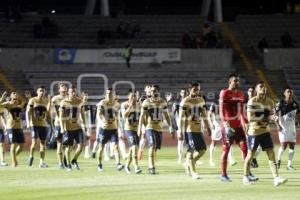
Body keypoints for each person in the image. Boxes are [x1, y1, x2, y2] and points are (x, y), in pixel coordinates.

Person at [243, 81, 287, 186]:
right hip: (254, 132)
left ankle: (276, 178)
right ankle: (245, 176)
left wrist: (276, 120)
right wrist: (267, 117)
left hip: (265, 131)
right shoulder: (252, 101)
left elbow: (272, 115)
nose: (264, 88)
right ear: (257, 90)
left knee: (271, 153)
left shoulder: (270, 102)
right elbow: (250, 118)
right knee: (250, 155)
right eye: (261, 87)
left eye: (265, 87)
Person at [219, 73, 249, 182]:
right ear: (230, 82)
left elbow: (242, 111)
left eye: (238, 81)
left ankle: (247, 173)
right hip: (228, 126)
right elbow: (221, 110)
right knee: (226, 150)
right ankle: (223, 174)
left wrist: (245, 123)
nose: (237, 82)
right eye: (235, 80)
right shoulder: (224, 92)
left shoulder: (241, 93)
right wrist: (225, 123)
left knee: (245, 148)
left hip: (238, 126)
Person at [138, 84, 174, 174]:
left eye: (154, 91)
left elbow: (166, 115)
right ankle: (151, 167)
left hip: (159, 128)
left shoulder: (162, 102)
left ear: (158, 91)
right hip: (149, 127)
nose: (152, 92)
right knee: (152, 145)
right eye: (151, 91)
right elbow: (142, 116)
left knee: (155, 148)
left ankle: (152, 166)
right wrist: (139, 128)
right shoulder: (146, 102)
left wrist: (170, 126)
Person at [178, 83, 212, 179]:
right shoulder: (185, 101)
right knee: (191, 150)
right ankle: (193, 172)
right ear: (189, 90)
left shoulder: (201, 100)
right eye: (194, 89)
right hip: (189, 130)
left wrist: (208, 127)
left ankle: (188, 163)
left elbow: (204, 115)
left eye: (198, 89)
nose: (196, 91)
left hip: (198, 129)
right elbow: (180, 117)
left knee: (202, 150)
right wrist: (180, 131)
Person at [96, 88, 124, 172]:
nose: (109, 95)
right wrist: (102, 120)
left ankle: (118, 164)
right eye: (107, 93)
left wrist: (119, 129)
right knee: (101, 147)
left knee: (116, 146)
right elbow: (98, 114)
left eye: (111, 93)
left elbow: (117, 117)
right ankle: (99, 164)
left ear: (114, 95)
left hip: (113, 128)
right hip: (104, 129)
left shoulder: (116, 104)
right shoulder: (102, 103)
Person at [60, 86, 86, 171]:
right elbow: (61, 116)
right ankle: (68, 164)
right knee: (69, 147)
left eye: (75, 92)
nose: (74, 93)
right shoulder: (64, 102)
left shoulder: (79, 101)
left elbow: (82, 113)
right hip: (68, 128)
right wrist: (62, 127)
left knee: (81, 146)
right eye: (72, 92)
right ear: (68, 93)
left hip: (78, 127)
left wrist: (84, 124)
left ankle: (74, 160)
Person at [26, 86, 51, 168]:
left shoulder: (46, 101)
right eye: (40, 91)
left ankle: (41, 162)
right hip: (34, 125)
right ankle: (31, 156)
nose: (42, 92)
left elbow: (48, 113)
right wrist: (28, 122)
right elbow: (28, 112)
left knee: (43, 143)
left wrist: (50, 123)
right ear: (37, 92)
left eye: (43, 91)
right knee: (34, 143)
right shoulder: (33, 100)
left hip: (43, 125)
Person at [276, 87, 300, 170]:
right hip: (283, 127)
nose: (289, 93)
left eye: (291, 92)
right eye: (288, 92)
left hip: (292, 127)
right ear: (284, 93)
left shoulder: (295, 104)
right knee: (283, 146)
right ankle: (278, 160)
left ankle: (289, 165)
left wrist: (298, 122)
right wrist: (278, 125)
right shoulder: (280, 103)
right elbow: (275, 116)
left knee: (292, 146)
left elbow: (298, 115)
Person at [207, 101, 237, 167]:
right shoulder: (214, 104)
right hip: (217, 125)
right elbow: (209, 115)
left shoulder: (228, 104)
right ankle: (211, 160)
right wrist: (211, 124)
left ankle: (231, 159)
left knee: (228, 142)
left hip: (225, 125)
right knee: (214, 142)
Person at [0, 92, 26, 167]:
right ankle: (14, 162)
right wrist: (2, 98)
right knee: (13, 145)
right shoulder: (8, 104)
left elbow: (24, 101)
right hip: (11, 128)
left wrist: (22, 97)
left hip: (19, 127)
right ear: (11, 96)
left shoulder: (19, 105)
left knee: (21, 146)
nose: (15, 95)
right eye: (13, 94)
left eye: (16, 95)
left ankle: (13, 157)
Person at [121, 90, 142, 174]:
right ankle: (136, 167)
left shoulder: (139, 105)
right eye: (132, 96)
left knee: (131, 149)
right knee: (134, 147)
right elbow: (124, 115)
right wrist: (130, 107)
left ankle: (126, 165)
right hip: (128, 129)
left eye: (134, 96)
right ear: (128, 97)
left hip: (136, 129)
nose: (133, 98)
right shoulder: (124, 104)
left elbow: (141, 116)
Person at [51, 83, 68, 168]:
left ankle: (65, 159)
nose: (64, 87)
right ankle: (60, 163)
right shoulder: (55, 99)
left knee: (68, 144)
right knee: (60, 143)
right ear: (59, 90)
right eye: (62, 86)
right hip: (58, 123)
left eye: (65, 86)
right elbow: (51, 111)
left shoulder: (69, 98)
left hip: (68, 124)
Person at [172, 88, 188, 164]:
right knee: (180, 141)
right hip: (180, 123)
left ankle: (187, 157)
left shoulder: (189, 101)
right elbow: (173, 114)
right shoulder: (177, 102)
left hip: (188, 123)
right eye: (182, 92)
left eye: (185, 92)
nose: (184, 93)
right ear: (180, 93)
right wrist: (174, 124)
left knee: (189, 141)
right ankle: (180, 158)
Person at [246, 87, 261, 168]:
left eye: (252, 91)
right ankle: (250, 163)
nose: (251, 92)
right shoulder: (244, 101)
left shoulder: (256, 101)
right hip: (246, 126)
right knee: (248, 146)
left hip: (255, 126)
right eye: (249, 90)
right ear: (247, 92)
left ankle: (253, 159)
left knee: (258, 147)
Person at [137, 84, 152, 160]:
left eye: (150, 87)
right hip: (145, 120)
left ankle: (152, 155)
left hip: (152, 121)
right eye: (148, 88)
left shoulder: (154, 97)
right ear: (145, 90)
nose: (149, 89)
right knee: (143, 136)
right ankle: (140, 152)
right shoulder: (143, 98)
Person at [81, 92, 93, 159]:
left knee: (88, 138)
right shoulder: (80, 105)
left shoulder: (89, 105)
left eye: (87, 95)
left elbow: (90, 116)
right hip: (81, 124)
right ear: (82, 96)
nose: (86, 97)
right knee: (81, 139)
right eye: (84, 95)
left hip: (88, 124)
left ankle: (86, 153)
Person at [0, 92, 8, 166]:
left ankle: (2, 161)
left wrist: (5, 126)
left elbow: (2, 117)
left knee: (1, 145)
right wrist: (2, 97)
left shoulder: (1, 107)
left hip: (0, 128)